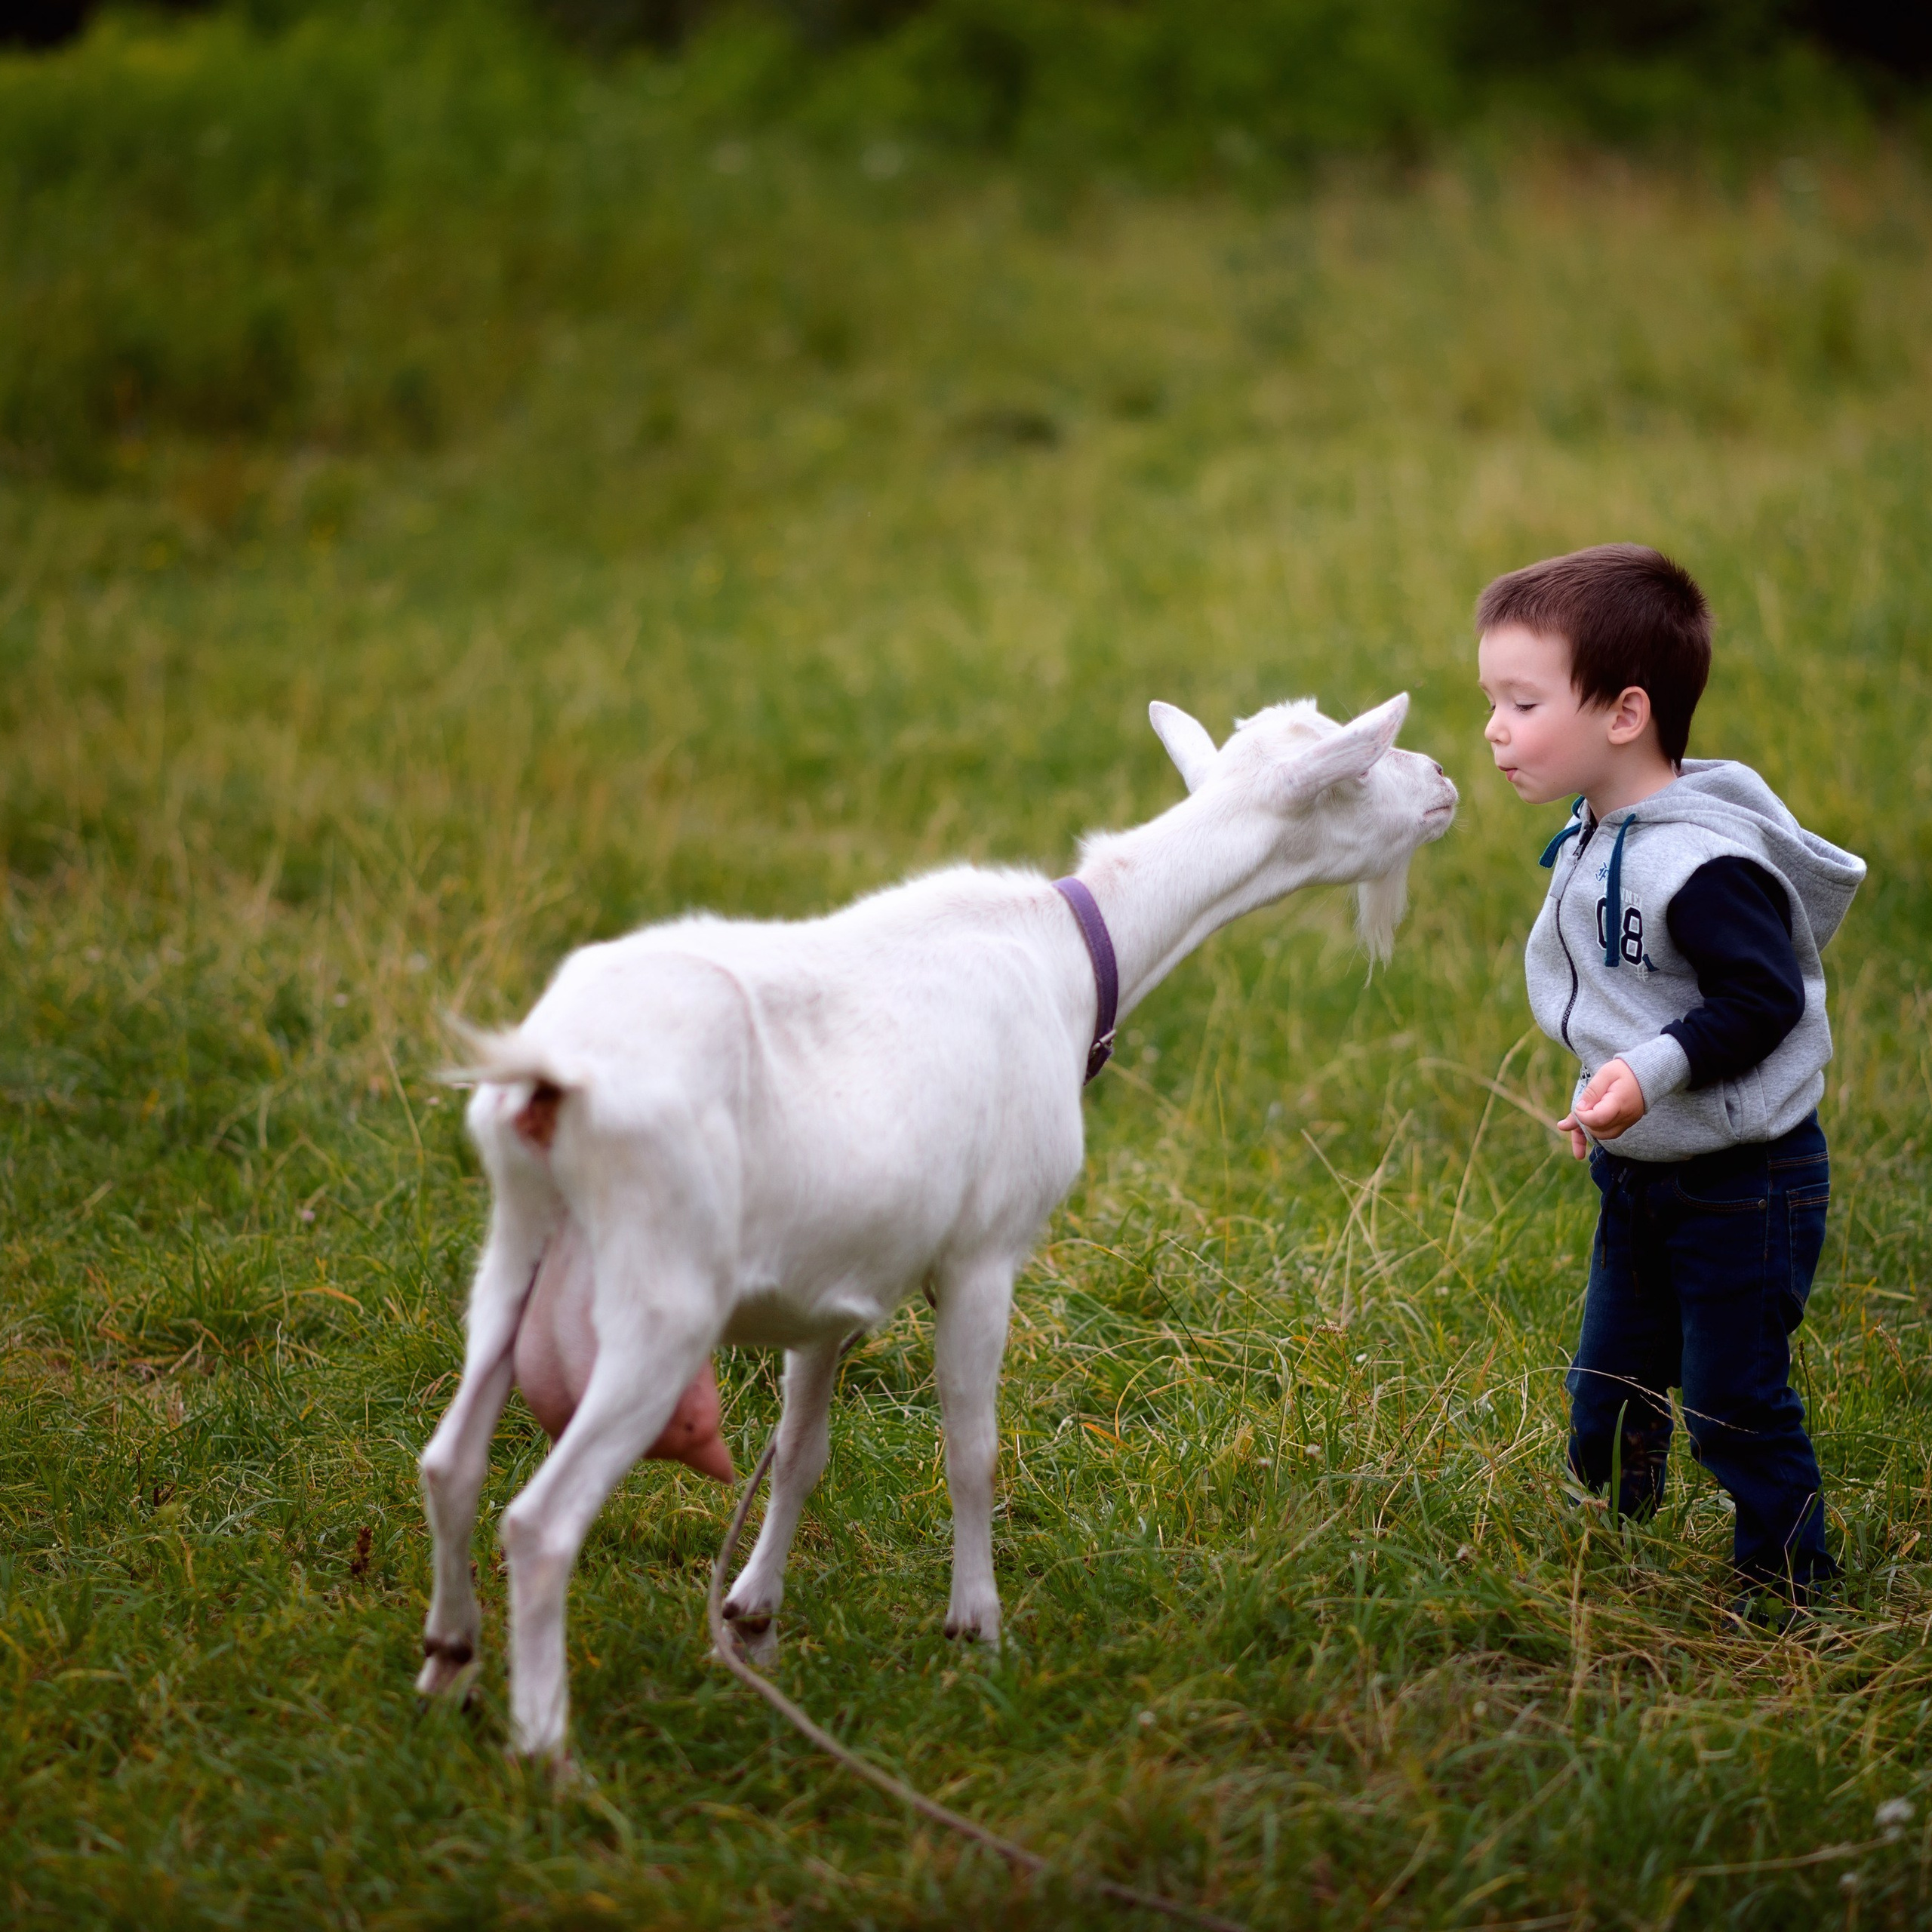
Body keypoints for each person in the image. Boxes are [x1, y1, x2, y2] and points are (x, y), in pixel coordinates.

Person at [1475, 543, 1864, 1620]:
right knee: (1607, 1380)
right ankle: (1627, 1494)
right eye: (1491, 701)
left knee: (1735, 1399)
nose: (1496, 730)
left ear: (1624, 714)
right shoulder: (1597, 829)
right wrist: (1613, 1093)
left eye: (1522, 702)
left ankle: (1789, 1581)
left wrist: (1645, 1076)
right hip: (1641, 1171)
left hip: (1745, 1182)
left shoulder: (1699, 866)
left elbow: (1763, 1002)